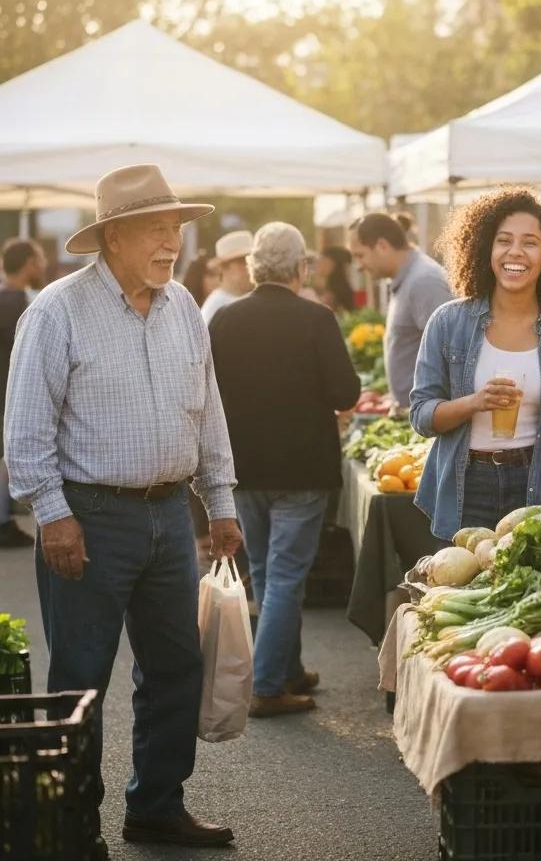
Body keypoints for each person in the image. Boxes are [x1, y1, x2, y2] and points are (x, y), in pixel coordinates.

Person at [5, 164, 242, 851]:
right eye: (154, 231)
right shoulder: (56, 311)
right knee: (79, 675)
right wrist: (53, 514)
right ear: (112, 237)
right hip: (89, 517)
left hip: (170, 515)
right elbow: (24, 432)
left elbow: (210, 417)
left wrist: (219, 501)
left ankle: (157, 805)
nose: (172, 244)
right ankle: (72, 822)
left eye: (175, 230)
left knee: (175, 668)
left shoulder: (185, 310)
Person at [209, 223, 361, 718]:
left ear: (254, 267)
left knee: (266, 573)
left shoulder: (225, 320)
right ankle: (269, 686)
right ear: (300, 268)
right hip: (302, 468)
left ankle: (288, 668)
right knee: (286, 576)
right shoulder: (316, 318)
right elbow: (345, 394)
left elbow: (206, 396)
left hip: (243, 467)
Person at [409, 188, 541, 539]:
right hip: (466, 484)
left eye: (530, 243)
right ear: (486, 249)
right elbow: (421, 415)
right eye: (504, 240)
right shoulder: (448, 323)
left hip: (537, 484)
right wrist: (475, 402)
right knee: (461, 590)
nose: (515, 252)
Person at [350, 213, 452, 408]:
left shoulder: (424, 281)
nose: (359, 266)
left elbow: (449, 354)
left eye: (360, 255)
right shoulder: (408, 279)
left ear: (382, 246)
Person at [0, 238, 45, 548]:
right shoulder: (23, 302)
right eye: (39, 259)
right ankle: (3, 522)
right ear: (29, 263)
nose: (41, 265)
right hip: (11, 391)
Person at [200, 229, 253, 323]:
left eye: (252, 261)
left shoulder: (248, 299)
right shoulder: (216, 306)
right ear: (226, 267)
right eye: (243, 262)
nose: (250, 268)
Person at [313, 245, 356, 313]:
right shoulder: (321, 289)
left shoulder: (331, 297)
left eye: (322, 259)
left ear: (333, 264)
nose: (317, 263)